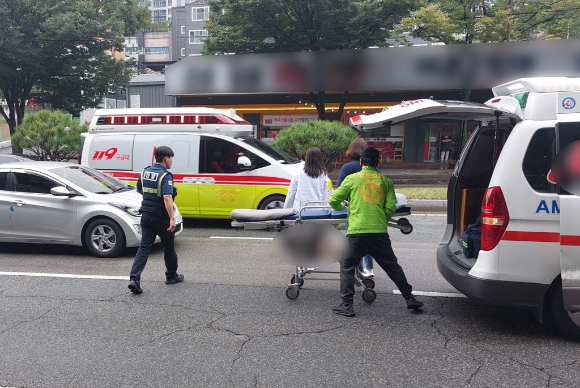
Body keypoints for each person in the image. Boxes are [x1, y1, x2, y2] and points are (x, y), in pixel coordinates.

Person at [328, 147, 423, 316]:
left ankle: (347, 305)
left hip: (356, 233)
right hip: (379, 233)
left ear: (361, 162)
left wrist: (339, 206)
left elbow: (334, 199)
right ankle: (410, 299)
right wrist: (381, 221)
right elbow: (390, 208)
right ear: (377, 163)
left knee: (347, 264)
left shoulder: (352, 179)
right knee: (392, 267)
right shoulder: (385, 182)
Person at [128, 146, 184, 294]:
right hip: (161, 218)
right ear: (166, 158)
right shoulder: (165, 176)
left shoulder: (145, 171)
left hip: (146, 216)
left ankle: (134, 278)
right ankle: (171, 275)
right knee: (169, 247)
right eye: (171, 158)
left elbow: (139, 189)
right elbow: (167, 197)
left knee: (144, 248)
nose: (172, 161)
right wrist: (172, 219)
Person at [338, 138, 375, 279]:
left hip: (353, 209)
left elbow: (341, 190)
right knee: (369, 239)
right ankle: (369, 268)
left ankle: (359, 270)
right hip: (370, 208)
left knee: (354, 241)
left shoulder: (347, 168)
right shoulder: (372, 168)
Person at [283, 147, 329, 212]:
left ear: (307, 158)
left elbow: (291, 193)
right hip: (317, 210)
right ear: (320, 159)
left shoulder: (299, 172)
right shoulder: (323, 174)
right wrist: (325, 211)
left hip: (300, 210)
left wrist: (286, 210)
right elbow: (324, 195)